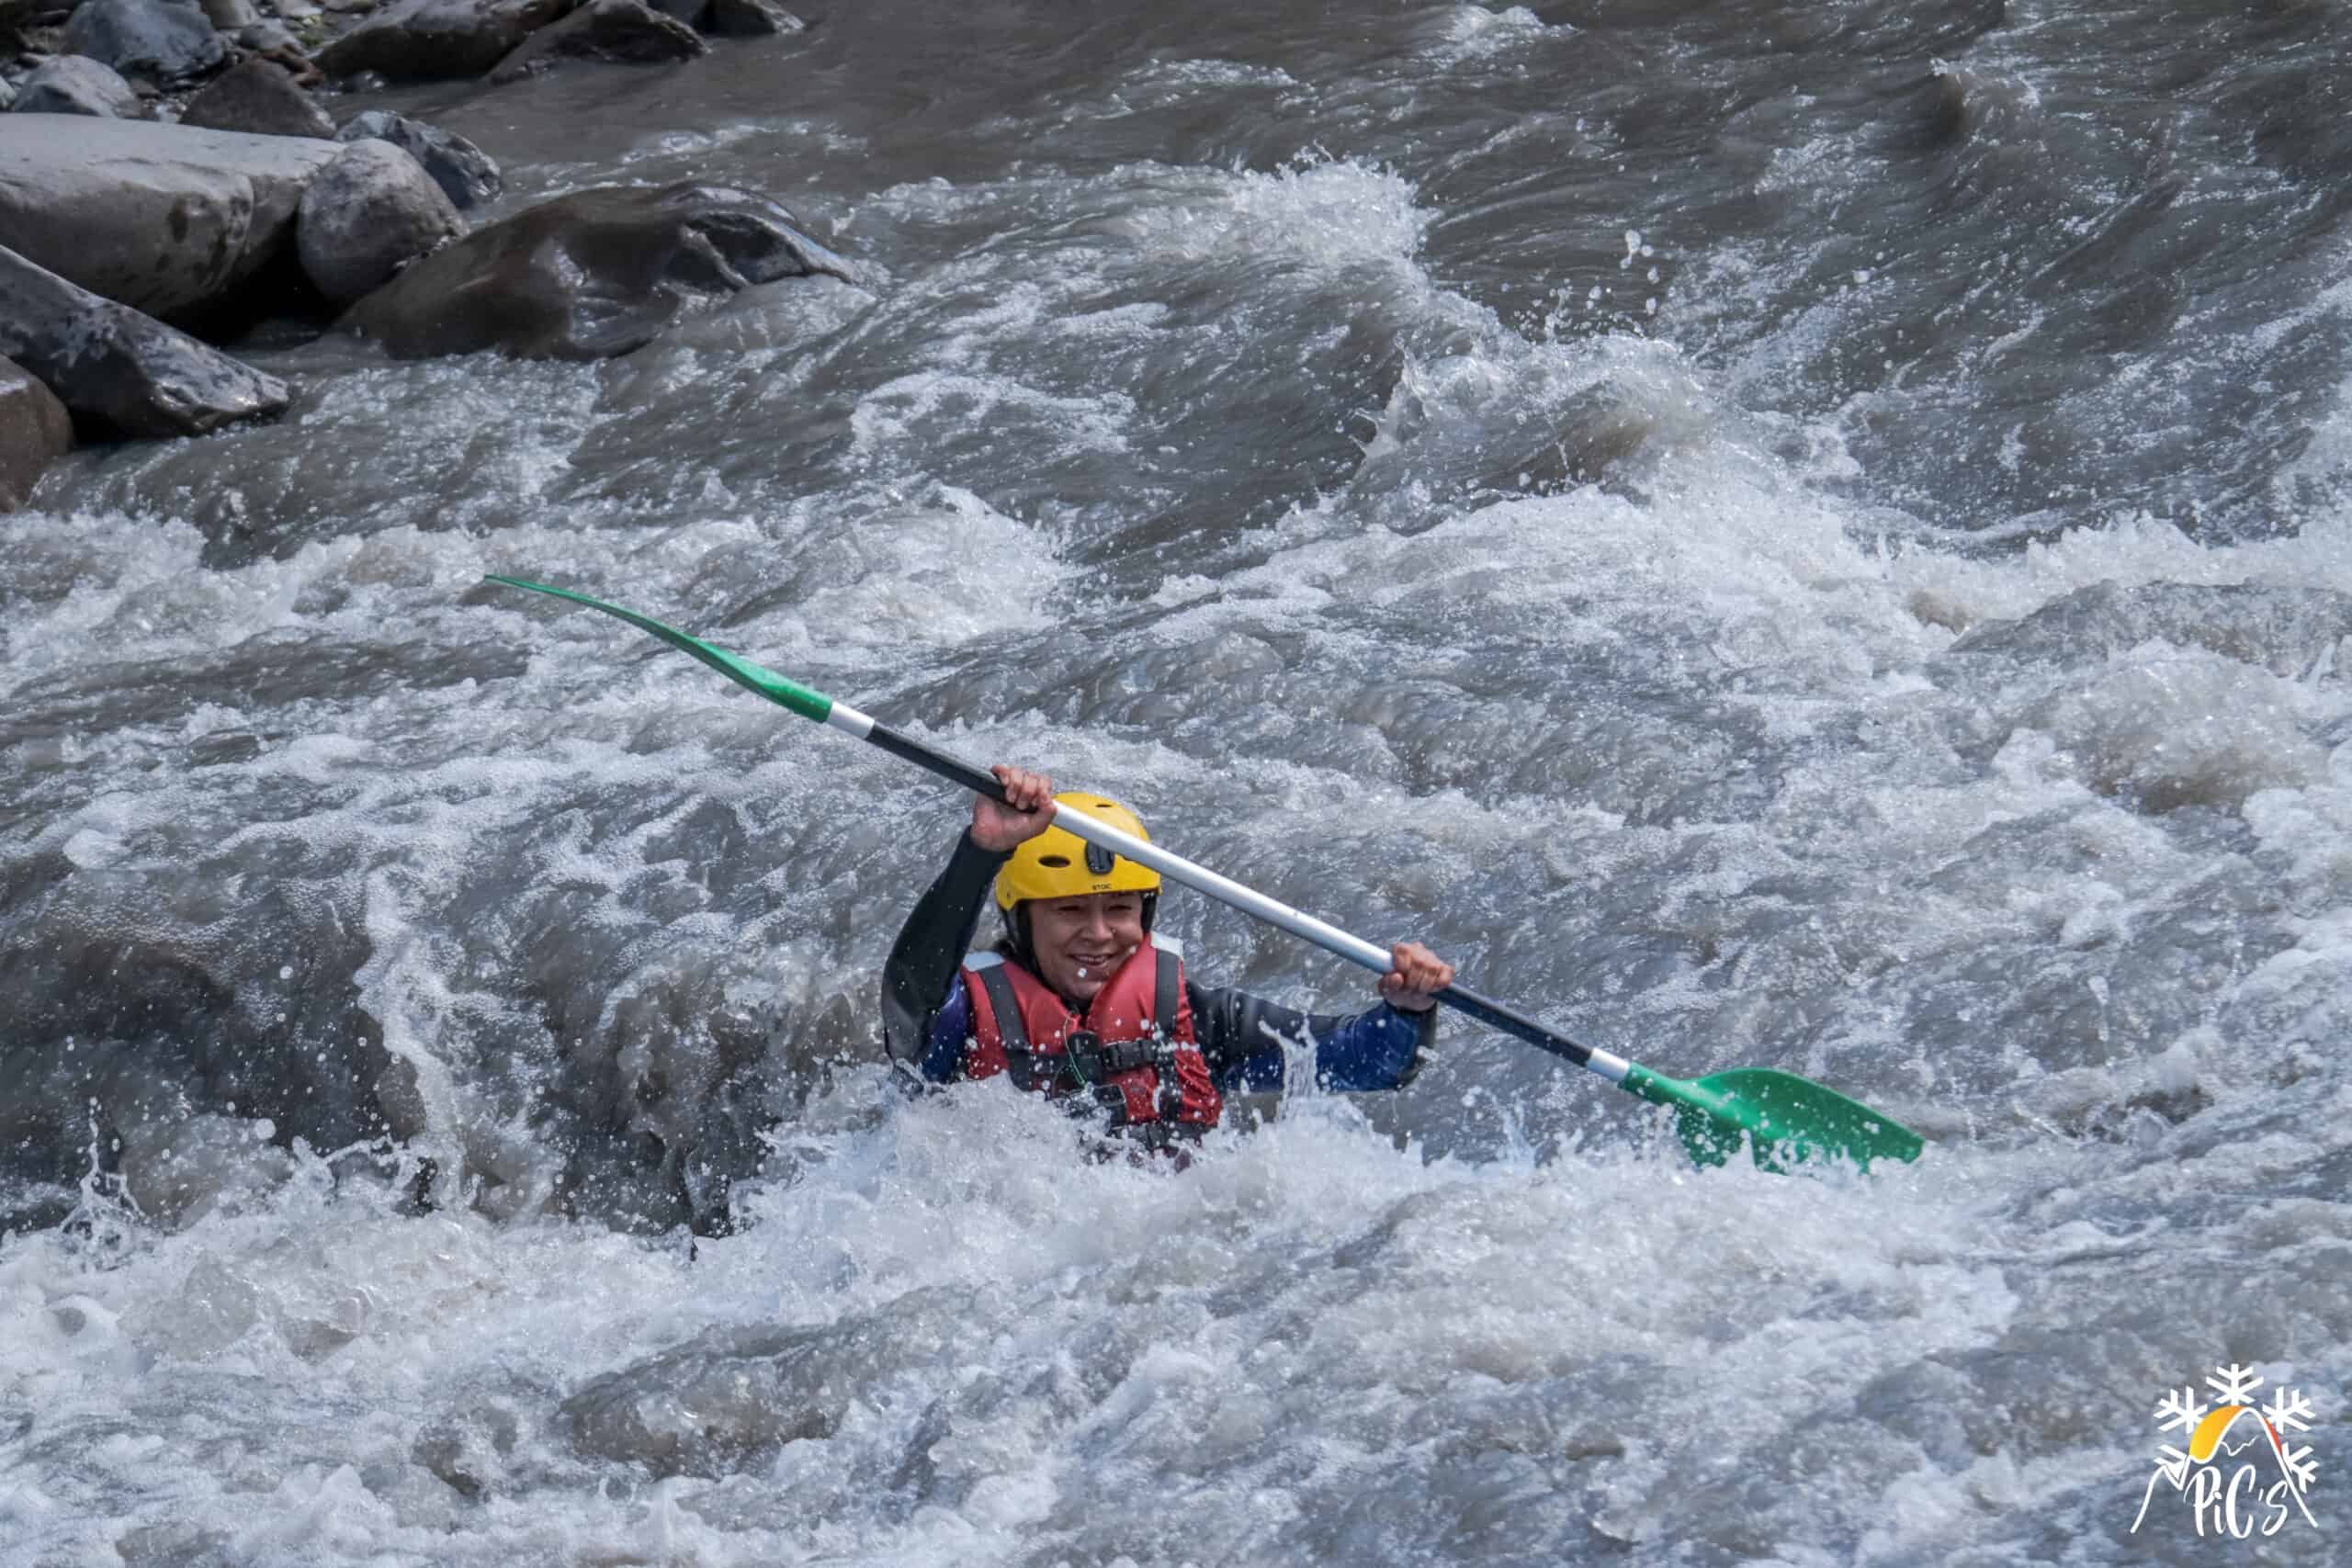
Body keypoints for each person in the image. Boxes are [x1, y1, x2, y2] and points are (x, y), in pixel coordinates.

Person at [881, 764, 1455, 1152]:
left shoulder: (1197, 1023)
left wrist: (1407, 1010)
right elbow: (910, 991)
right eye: (1070, 911)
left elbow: (1373, 1065)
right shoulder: (958, 1019)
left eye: (1120, 910)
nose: (1100, 935)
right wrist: (981, 852)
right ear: (1021, 920)